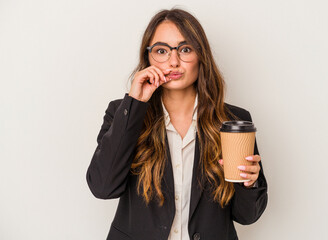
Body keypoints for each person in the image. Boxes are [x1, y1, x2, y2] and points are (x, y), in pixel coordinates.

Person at [86, 8, 268, 240]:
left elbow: (247, 216)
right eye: (161, 51)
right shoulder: (122, 113)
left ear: (201, 55)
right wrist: (134, 104)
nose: (173, 61)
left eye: (184, 49)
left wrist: (249, 184)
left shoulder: (231, 120)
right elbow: (102, 188)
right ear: (148, 58)